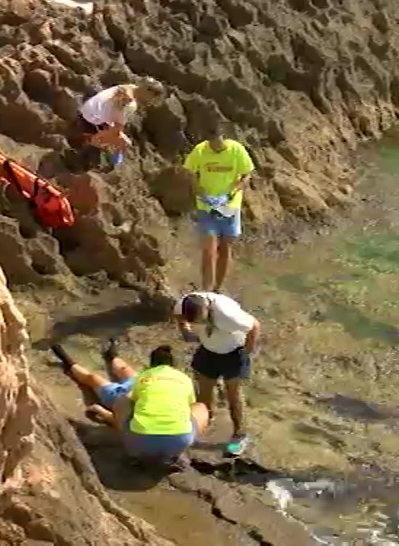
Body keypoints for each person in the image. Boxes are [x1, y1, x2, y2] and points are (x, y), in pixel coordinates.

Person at [51, 340, 209, 464]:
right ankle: (112, 356)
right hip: (178, 442)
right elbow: (188, 408)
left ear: (151, 365)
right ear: (172, 365)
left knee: (95, 380)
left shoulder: (143, 377)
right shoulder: (184, 379)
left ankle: (71, 363)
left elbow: (130, 398)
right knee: (200, 407)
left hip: (137, 443)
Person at [173, 292, 261, 455]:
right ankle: (202, 425)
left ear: (207, 310)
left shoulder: (227, 314)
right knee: (203, 393)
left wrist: (247, 352)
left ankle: (240, 434)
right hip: (208, 350)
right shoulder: (182, 305)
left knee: (233, 396)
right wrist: (186, 331)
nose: (198, 324)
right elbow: (178, 316)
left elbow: (254, 326)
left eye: (200, 321)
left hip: (233, 352)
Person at [182, 126, 255, 293]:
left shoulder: (236, 150)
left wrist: (231, 193)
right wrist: (201, 193)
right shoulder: (200, 151)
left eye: (217, 142)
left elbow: (247, 175)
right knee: (209, 250)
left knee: (225, 248)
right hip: (207, 206)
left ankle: (217, 289)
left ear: (224, 137)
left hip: (229, 206)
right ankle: (207, 291)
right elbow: (190, 174)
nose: (214, 146)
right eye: (211, 143)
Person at [75, 80, 165, 168]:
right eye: (152, 97)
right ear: (147, 91)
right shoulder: (130, 105)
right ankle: (91, 145)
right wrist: (105, 138)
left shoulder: (128, 87)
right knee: (123, 141)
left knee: (119, 137)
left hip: (87, 108)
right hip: (92, 118)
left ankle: (99, 144)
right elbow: (117, 129)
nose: (150, 100)